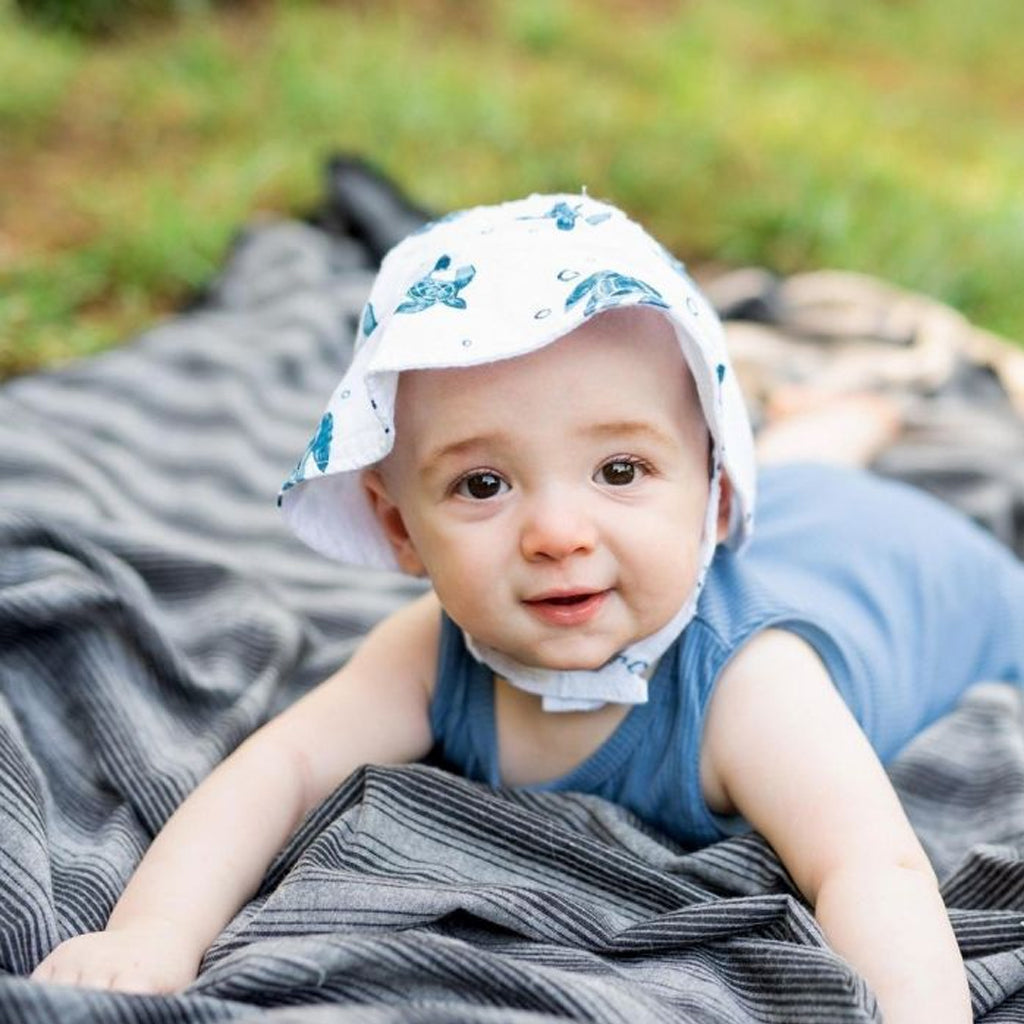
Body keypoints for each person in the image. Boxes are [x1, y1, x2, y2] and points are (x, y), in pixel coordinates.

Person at [32, 194, 1024, 1023]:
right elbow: (277, 771)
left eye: (618, 466)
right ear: (399, 529)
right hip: (797, 531)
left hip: (936, 575)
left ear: (719, 496)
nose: (557, 532)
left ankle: (833, 430)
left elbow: (870, 867)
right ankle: (810, 437)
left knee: (815, 503)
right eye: (481, 485)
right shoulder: (428, 652)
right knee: (787, 501)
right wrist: (152, 932)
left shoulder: (750, 688)